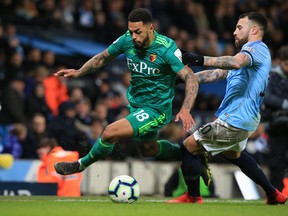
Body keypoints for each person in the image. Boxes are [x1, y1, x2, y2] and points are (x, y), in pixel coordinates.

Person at [54, 8, 199, 176]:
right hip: (137, 105)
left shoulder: (166, 49)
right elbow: (102, 57)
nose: (134, 36)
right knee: (148, 150)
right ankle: (189, 154)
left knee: (110, 132)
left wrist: (186, 108)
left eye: (138, 32)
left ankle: (80, 165)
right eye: (131, 32)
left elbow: (191, 78)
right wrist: (79, 72)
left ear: (150, 28)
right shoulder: (127, 40)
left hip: (156, 109)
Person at [168, 12, 287, 205]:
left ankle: (193, 197)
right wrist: (181, 81)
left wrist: (199, 58)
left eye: (240, 27)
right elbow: (216, 73)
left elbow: (234, 62)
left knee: (188, 146)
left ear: (254, 30)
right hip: (244, 118)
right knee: (233, 154)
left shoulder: (258, 49)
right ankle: (273, 194)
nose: (234, 32)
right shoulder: (246, 56)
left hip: (236, 118)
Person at [263, 45, 288, 195]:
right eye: (285, 63)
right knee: (276, 164)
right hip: (276, 127)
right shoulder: (271, 77)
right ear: (279, 62)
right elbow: (265, 96)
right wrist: (284, 104)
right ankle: (275, 195)